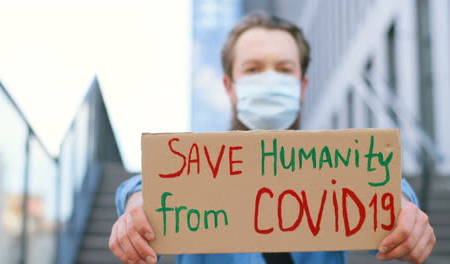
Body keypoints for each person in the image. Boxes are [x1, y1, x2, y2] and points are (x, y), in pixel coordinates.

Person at [109, 13, 436, 264]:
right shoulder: (197, 174)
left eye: (283, 68)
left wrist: (405, 209)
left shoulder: (331, 171)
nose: (269, 78)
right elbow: (143, 187)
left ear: (302, 85)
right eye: (252, 69)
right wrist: (138, 203)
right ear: (229, 86)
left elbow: (378, 183)